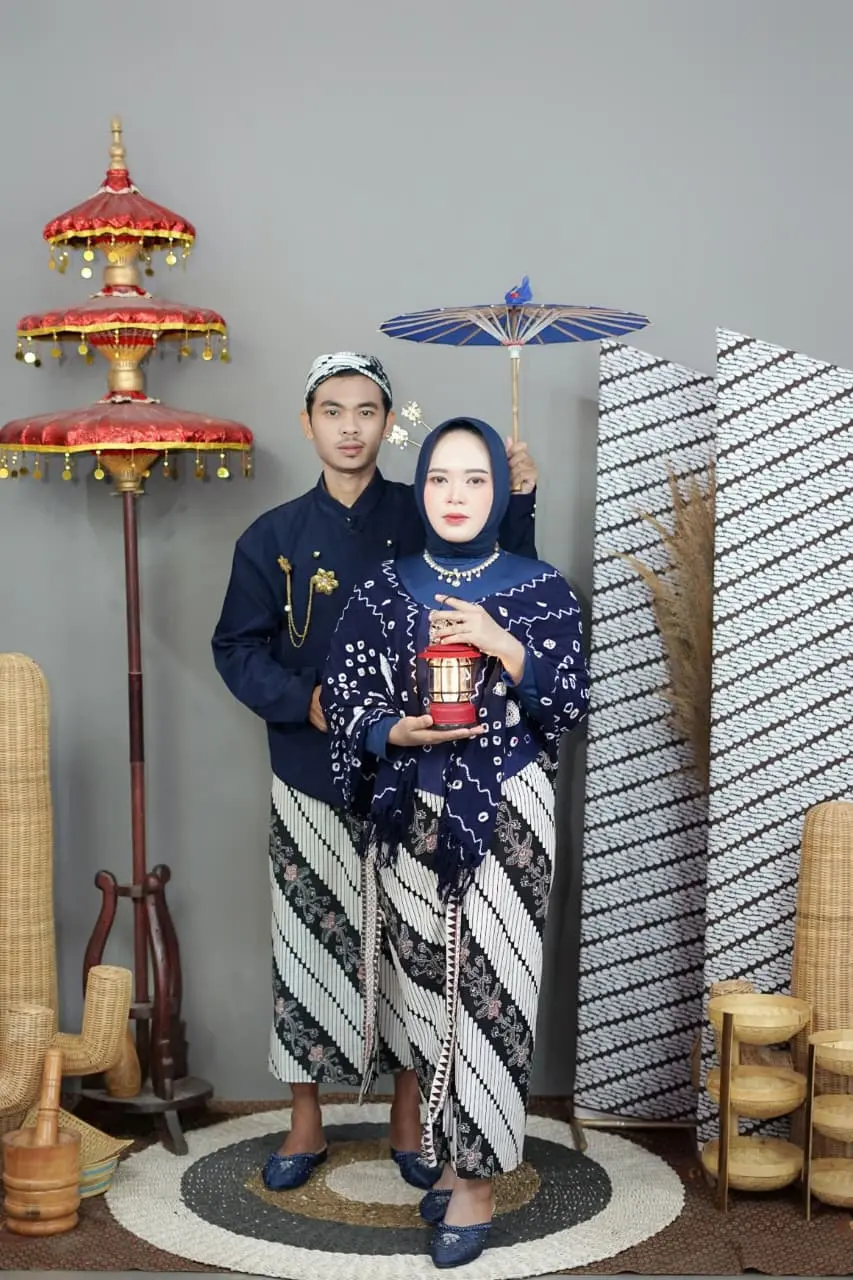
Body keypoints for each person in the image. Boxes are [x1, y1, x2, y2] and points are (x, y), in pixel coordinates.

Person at [211, 354, 539, 1194]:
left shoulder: (426, 511)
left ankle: (407, 1117)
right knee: (306, 941)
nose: (350, 427)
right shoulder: (273, 537)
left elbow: (508, 588)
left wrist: (519, 502)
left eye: (366, 411)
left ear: (389, 423)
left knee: (414, 950)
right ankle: (305, 1121)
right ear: (308, 422)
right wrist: (303, 700)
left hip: (420, 768)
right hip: (309, 769)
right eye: (333, 410)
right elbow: (235, 647)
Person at [322, 416, 589, 1270]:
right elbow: (346, 696)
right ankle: (447, 1153)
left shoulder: (540, 588)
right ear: (422, 488)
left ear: (500, 492)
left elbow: (570, 703)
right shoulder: (383, 588)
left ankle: (474, 1184)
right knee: (429, 994)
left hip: (506, 810)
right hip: (412, 809)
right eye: (440, 477)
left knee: (490, 992)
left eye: (476, 479)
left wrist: (503, 645)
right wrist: (392, 731)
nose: (456, 495)